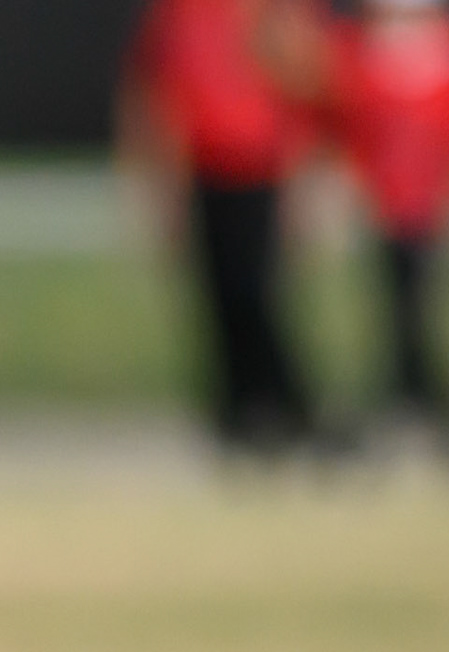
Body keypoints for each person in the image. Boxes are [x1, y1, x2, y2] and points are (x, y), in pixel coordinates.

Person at [121, 0, 328, 448]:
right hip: (203, 171)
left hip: (263, 169)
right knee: (217, 296)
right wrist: (156, 183)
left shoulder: (275, 10)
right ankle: (235, 414)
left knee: (258, 293)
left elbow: (312, 85)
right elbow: (154, 91)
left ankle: (287, 407)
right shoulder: (180, 13)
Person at [323, 0, 449, 442]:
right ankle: (404, 396)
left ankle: (432, 399)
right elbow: (347, 126)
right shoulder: (359, 56)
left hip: (436, 206)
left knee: (429, 307)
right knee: (393, 309)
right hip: (384, 205)